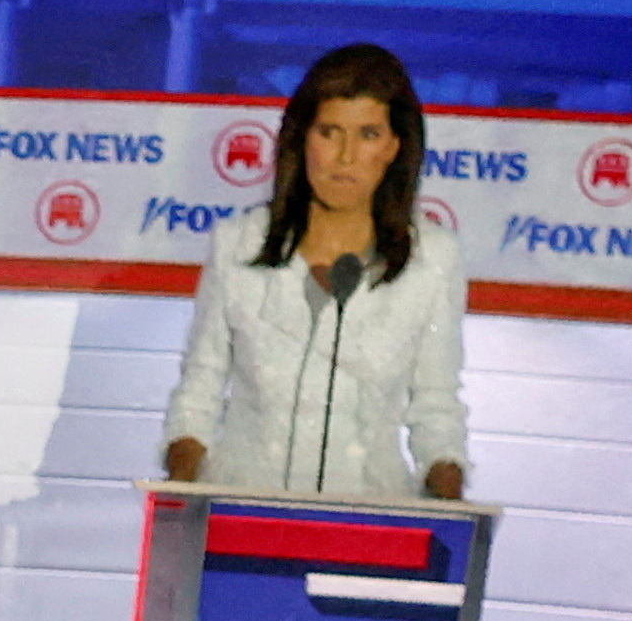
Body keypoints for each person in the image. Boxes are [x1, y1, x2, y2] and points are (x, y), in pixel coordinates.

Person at [164, 39, 467, 503]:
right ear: (302, 137)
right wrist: (178, 497)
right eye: (329, 132)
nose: (345, 158)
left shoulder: (433, 260)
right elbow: (199, 391)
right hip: (241, 515)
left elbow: (437, 409)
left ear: (394, 147)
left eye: (367, 134)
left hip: (368, 521)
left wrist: (452, 513)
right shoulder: (239, 244)